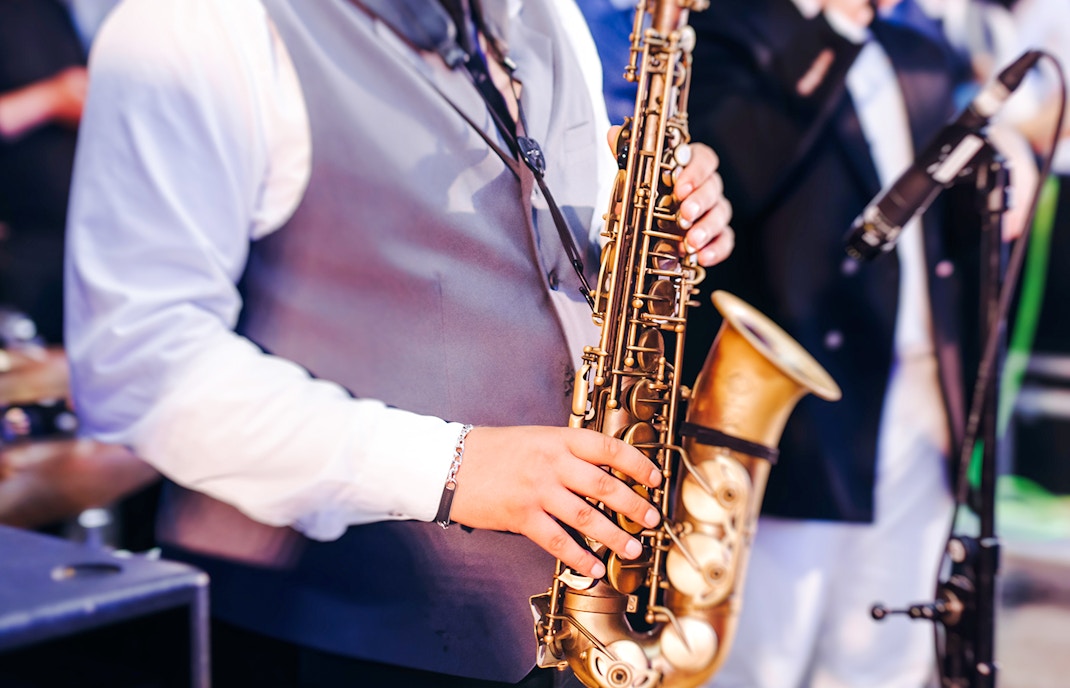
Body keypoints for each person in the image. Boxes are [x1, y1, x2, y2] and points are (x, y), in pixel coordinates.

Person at [63, 0, 734, 685]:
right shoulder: (195, 23)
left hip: (570, 629)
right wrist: (452, 468)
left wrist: (662, 216)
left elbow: (556, 251)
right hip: (333, 642)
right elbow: (137, 363)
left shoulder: (544, 14)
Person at [682, 0, 1006, 686]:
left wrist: (1011, 164)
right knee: (759, 658)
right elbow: (734, 172)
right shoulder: (731, 30)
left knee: (885, 657)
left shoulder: (918, 48)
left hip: (922, 400)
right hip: (801, 420)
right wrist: (834, 26)